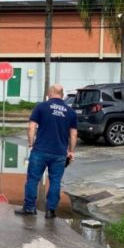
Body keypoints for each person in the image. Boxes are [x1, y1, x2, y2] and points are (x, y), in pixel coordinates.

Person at [15, 84, 77, 219]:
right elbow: (73, 134)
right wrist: (71, 151)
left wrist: (31, 143)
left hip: (40, 151)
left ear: (50, 92)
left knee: (33, 180)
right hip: (60, 153)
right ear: (62, 94)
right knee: (55, 182)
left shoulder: (41, 107)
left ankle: (30, 208)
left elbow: (31, 127)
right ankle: (51, 211)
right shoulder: (70, 111)